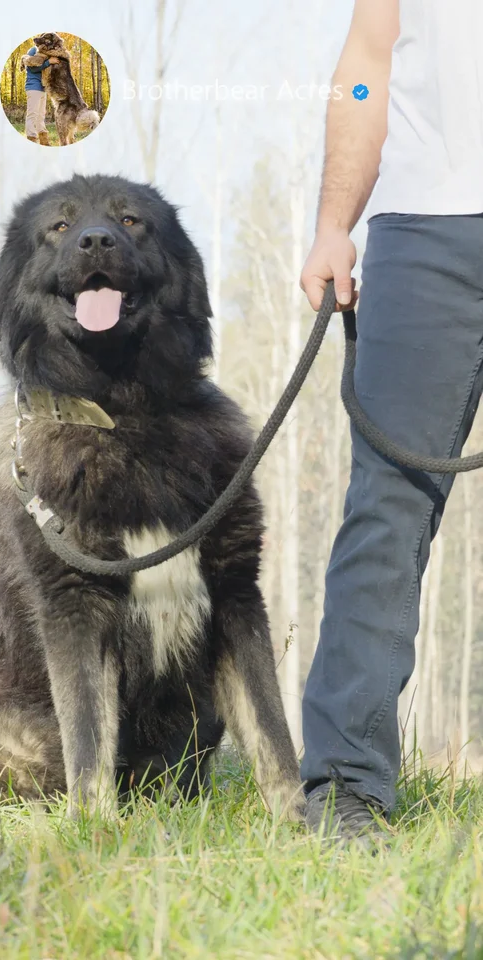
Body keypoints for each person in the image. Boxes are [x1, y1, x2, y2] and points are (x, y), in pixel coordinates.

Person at [300, 0, 483, 843]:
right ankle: (344, 788)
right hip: (426, 222)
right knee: (387, 507)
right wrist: (334, 223)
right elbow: (367, 62)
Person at [23, 44, 59, 145]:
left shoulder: (46, 52)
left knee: (41, 115)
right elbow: (32, 68)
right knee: (33, 114)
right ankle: (31, 140)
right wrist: (48, 62)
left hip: (43, 88)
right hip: (33, 87)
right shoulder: (34, 50)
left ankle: (44, 141)